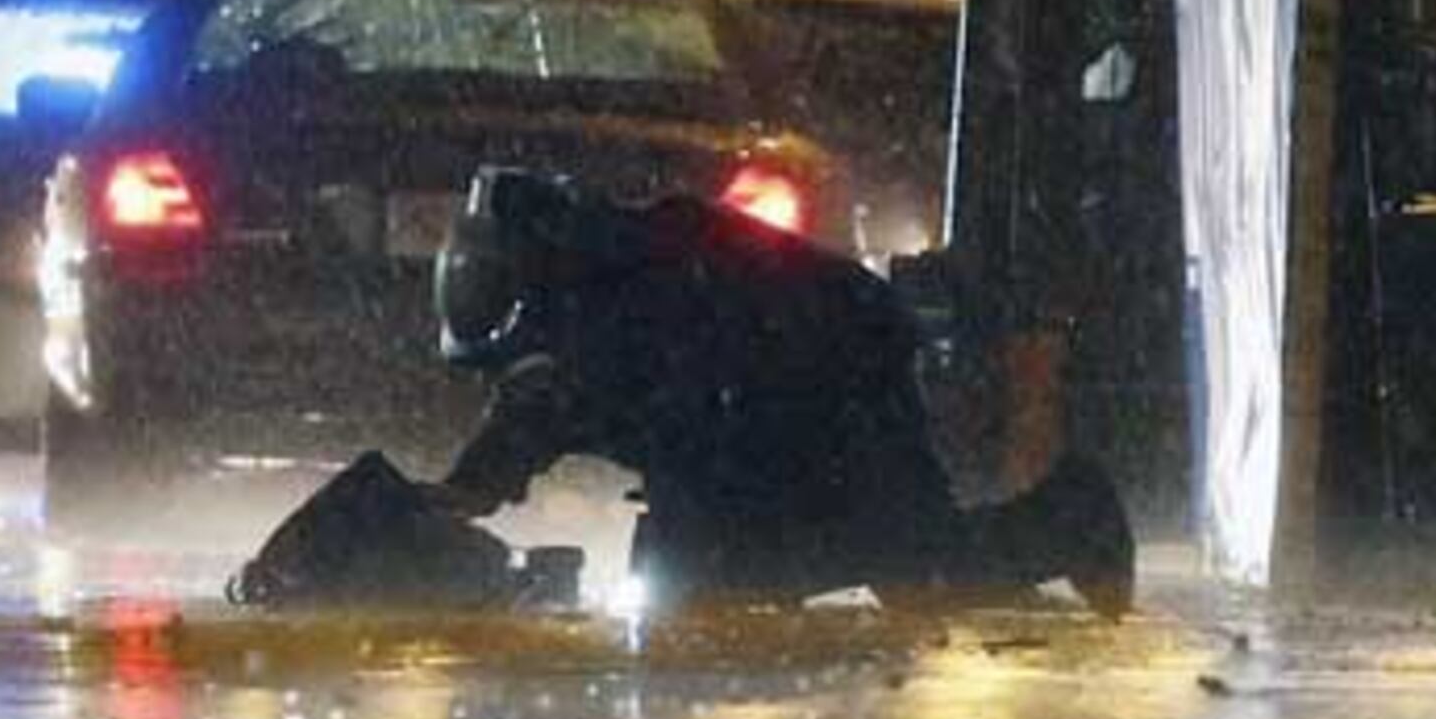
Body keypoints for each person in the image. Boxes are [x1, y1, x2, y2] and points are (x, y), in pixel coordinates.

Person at [421, 167, 1136, 615]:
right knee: (720, 585)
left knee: (927, 579)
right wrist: (462, 490)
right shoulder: (594, 301)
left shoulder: (640, 299)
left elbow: (696, 456)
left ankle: (1074, 515)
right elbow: (541, 407)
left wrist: (722, 558)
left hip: (844, 381)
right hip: (781, 398)